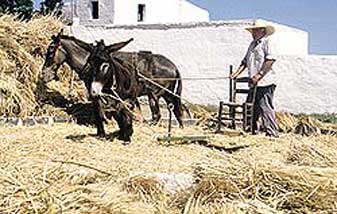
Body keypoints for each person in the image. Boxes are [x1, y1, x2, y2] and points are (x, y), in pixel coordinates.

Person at [231, 20, 279, 137]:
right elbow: (245, 61)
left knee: (265, 107)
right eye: (252, 30)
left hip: (265, 82)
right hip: (253, 82)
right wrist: (236, 73)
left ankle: (272, 133)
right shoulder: (252, 45)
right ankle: (251, 130)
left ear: (262, 30)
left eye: (255, 30)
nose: (253, 32)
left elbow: (270, 60)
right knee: (251, 107)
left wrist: (259, 75)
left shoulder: (267, 42)